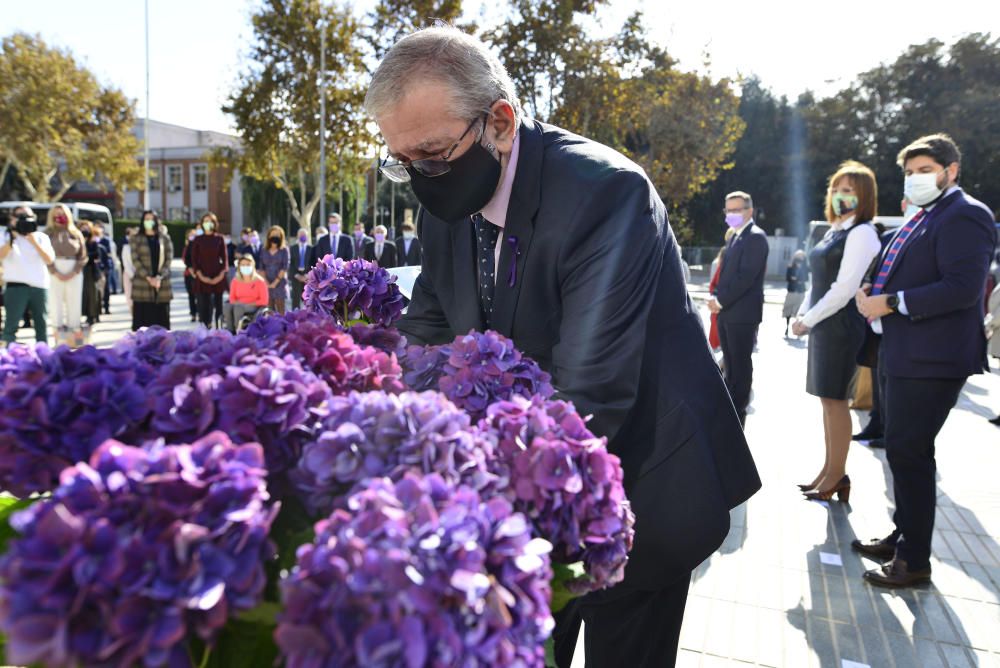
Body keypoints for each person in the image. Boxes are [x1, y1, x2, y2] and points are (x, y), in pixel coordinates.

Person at [366, 26, 761, 666]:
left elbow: (590, 394)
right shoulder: (439, 204)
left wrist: (457, 481)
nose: (421, 178)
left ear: (499, 121)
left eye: (434, 155)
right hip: (520, 503)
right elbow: (427, 334)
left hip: (638, 496)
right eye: (402, 162)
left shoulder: (606, 194)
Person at [854, 133, 996, 587]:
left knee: (911, 453)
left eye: (924, 170)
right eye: (910, 172)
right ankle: (904, 536)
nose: (916, 179)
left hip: (933, 358)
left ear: (951, 170)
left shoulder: (966, 215)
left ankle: (913, 561)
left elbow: (962, 288)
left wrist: (890, 302)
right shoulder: (926, 217)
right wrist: (871, 294)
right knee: (901, 451)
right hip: (904, 352)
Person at [790, 161, 881, 502]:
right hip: (825, 325)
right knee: (828, 402)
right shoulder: (835, 230)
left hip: (841, 326)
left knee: (836, 401)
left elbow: (843, 289)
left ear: (865, 196)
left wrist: (807, 320)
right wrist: (805, 315)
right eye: (837, 189)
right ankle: (829, 470)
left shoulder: (861, 233)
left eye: (849, 190)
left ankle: (836, 474)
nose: (841, 196)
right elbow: (817, 282)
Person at [707, 191, 769, 426]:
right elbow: (727, 276)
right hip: (727, 314)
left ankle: (738, 416)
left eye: (736, 210)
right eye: (728, 210)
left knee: (740, 368)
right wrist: (717, 299)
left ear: (749, 211)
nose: (731, 215)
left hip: (742, 316)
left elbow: (745, 278)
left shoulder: (755, 237)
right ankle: (730, 411)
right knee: (730, 366)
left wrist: (720, 301)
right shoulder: (734, 237)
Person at [0, 206, 54, 345]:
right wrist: (12, 239)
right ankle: (6, 358)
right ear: (12, 218)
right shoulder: (5, 235)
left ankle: (43, 356)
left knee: (41, 324)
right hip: (15, 286)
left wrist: (33, 242)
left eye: (27, 215)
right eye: (20, 216)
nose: (24, 219)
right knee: (11, 325)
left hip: (39, 285)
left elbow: (49, 260)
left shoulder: (41, 237)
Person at [44, 204, 87, 346]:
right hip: (54, 271)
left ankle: (74, 340)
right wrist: (54, 271)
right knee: (55, 304)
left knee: (74, 304)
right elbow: (43, 255)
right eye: (56, 214)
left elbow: (83, 256)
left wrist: (74, 271)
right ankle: (58, 339)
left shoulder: (75, 233)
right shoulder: (47, 233)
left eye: (62, 214)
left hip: (74, 271)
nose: (59, 217)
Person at [130, 210, 173, 330]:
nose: (148, 222)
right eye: (146, 219)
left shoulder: (164, 238)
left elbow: (168, 260)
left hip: (161, 285)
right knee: (143, 325)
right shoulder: (136, 238)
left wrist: (159, 277)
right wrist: (149, 278)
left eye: (151, 219)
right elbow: (135, 260)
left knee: (161, 324)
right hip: (142, 284)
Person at [190, 212, 229, 328]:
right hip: (202, 276)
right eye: (205, 221)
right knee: (203, 305)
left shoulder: (220, 239)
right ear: (202, 224)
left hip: (218, 275)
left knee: (218, 305)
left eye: (210, 221)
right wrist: (201, 276)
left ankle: (218, 328)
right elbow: (194, 260)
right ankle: (204, 328)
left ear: (214, 223)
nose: (208, 224)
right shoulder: (198, 240)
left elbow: (225, 259)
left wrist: (220, 276)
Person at [224, 255, 268, 332]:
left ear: (252, 266)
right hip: (238, 304)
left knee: (238, 308)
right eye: (243, 265)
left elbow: (264, 301)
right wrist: (238, 303)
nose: (245, 267)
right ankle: (230, 331)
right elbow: (232, 298)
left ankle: (239, 332)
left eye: (248, 265)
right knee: (227, 306)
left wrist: (248, 304)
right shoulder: (235, 281)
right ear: (239, 267)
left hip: (254, 305)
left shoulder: (260, 282)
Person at [78, 221, 105, 326]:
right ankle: (86, 314)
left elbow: (96, 256)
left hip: (91, 271)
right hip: (81, 270)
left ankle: (93, 315)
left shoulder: (94, 242)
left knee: (93, 294)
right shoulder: (78, 241)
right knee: (84, 294)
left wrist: (87, 257)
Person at [261, 225, 290, 314]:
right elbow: (261, 267)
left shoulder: (284, 250)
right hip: (267, 283)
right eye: (273, 235)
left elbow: (285, 267)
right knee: (269, 309)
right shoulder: (264, 250)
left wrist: (275, 282)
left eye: (277, 235)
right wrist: (266, 282)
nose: (275, 237)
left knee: (280, 309)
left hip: (279, 283)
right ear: (269, 236)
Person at [783, 250, 808, 336]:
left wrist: (798, 279)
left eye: (801, 257)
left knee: (799, 311)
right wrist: (793, 279)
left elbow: (806, 278)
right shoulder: (790, 266)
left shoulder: (805, 267)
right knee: (788, 310)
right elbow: (788, 278)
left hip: (800, 291)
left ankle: (798, 330)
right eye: (798, 257)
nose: (799, 259)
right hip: (792, 290)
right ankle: (787, 327)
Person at [92, 224, 114, 315]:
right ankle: (98, 309)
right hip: (95, 269)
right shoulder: (91, 242)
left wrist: (106, 269)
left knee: (106, 289)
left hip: (104, 268)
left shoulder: (105, 242)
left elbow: (108, 256)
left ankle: (106, 307)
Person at [290, 228, 314, 309]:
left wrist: (307, 275)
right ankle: (295, 316)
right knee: (295, 299)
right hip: (296, 276)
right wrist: (296, 275)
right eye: (300, 234)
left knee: (307, 298)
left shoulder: (311, 248)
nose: (302, 236)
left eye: (304, 235)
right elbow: (290, 263)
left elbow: (313, 263)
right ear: (297, 236)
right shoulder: (293, 248)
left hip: (307, 277)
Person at [181, 229, 199, 322]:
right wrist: (191, 270)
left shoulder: (199, 246)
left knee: (198, 295)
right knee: (191, 295)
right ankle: (193, 314)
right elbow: (184, 259)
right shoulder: (187, 247)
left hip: (198, 274)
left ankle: (199, 312)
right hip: (189, 274)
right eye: (191, 235)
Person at [121, 228, 136, 313]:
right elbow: (126, 263)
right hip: (128, 275)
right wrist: (132, 275)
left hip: (139, 276)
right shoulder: (126, 248)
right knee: (130, 297)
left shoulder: (140, 249)